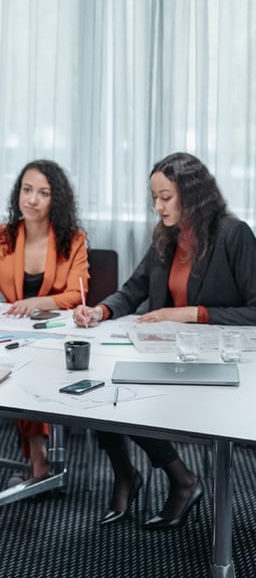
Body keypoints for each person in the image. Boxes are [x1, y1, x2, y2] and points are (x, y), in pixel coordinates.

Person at [73, 151, 256, 529]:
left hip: (218, 362)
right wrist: (100, 311)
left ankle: (180, 480)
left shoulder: (232, 234)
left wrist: (189, 313)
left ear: (192, 193)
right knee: (99, 392)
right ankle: (134, 474)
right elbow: (131, 291)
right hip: (167, 352)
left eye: (165, 197)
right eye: (154, 197)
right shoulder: (166, 238)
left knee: (125, 395)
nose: (157, 206)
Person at [0, 159, 89, 479]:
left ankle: (37, 458)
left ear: (55, 200)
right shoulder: (4, 236)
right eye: (27, 190)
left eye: (42, 193)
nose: (32, 199)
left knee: (33, 368)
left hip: (55, 332)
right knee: (19, 367)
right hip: (13, 331)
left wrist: (33, 303)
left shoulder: (73, 238)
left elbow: (75, 294)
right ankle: (38, 456)